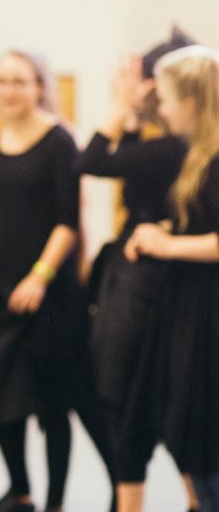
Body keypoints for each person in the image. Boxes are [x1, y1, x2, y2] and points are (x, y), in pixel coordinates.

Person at [0, 50, 93, 512]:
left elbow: (67, 222)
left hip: (49, 297)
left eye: (18, 81)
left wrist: (41, 276)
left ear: (39, 86)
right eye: (0, 81)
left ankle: (55, 503)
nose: (7, 91)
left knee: (52, 407)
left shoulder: (59, 142)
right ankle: (21, 491)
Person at [79, 30, 197, 512]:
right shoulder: (173, 148)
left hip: (149, 286)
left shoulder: (174, 150)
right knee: (157, 406)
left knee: (132, 399)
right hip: (149, 279)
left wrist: (121, 103)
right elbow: (124, 170)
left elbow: (91, 161)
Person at [125, 45, 219, 511]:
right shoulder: (197, 155)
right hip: (190, 307)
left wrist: (171, 246)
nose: (159, 110)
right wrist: (163, 230)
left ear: (192, 101)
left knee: (205, 444)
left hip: (209, 316)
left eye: (164, 99)